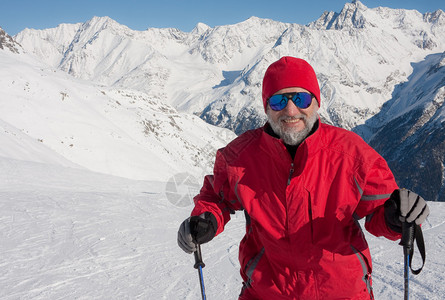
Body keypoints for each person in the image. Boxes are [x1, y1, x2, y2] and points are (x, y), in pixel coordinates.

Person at [177, 56, 430, 299]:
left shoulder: (352, 155)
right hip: (266, 294)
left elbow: (379, 211)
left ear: (316, 103)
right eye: (278, 101)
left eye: (300, 98)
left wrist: (396, 217)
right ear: (266, 107)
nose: (290, 110)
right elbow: (216, 198)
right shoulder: (239, 158)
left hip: (344, 294)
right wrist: (205, 218)